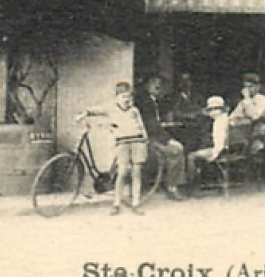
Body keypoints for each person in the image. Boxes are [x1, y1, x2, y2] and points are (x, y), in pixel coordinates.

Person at [78, 81, 149, 215]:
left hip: (137, 141)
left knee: (136, 172)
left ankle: (136, 203)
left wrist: (145, 140)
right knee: (122, 172)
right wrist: (83, 114)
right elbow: (94, 110)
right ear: (116, 97)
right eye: (123, 96)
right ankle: (116, 203)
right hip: (122, 143)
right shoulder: (111, 108)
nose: (126, 99)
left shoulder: (134, 110)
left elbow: (141, 125)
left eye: (128, 97)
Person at [134, 75, 187, 200]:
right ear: (148, 86)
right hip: (149, 138)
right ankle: (171, 186)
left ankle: (170, 182)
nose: (158, 88)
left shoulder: (153, 101)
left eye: (160, 86)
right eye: (155, 85)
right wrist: (168, 140)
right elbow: (152, 126)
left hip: (154, 135)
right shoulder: (145, 102)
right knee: (177, 149)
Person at [187, 95, 231, 182]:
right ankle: (208, 176)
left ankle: (191, 181)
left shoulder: (219, 123)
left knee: (191, 156)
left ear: (221, 110)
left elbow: (219, 142)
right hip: (227, 149)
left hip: (221, 150)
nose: (212, 112)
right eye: (210, 110)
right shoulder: (226, 119)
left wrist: (214, 154)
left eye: (215, 109)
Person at [229, 72, 265, 154]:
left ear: (258, 87)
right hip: (241, 133)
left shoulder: (262, 100)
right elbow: (233, 116)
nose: (247, 90)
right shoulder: (244, 102)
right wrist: (234, 121)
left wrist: (247, 99)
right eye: (245, 87)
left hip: (257, 134)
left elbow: (254, 116)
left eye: (250, 87)